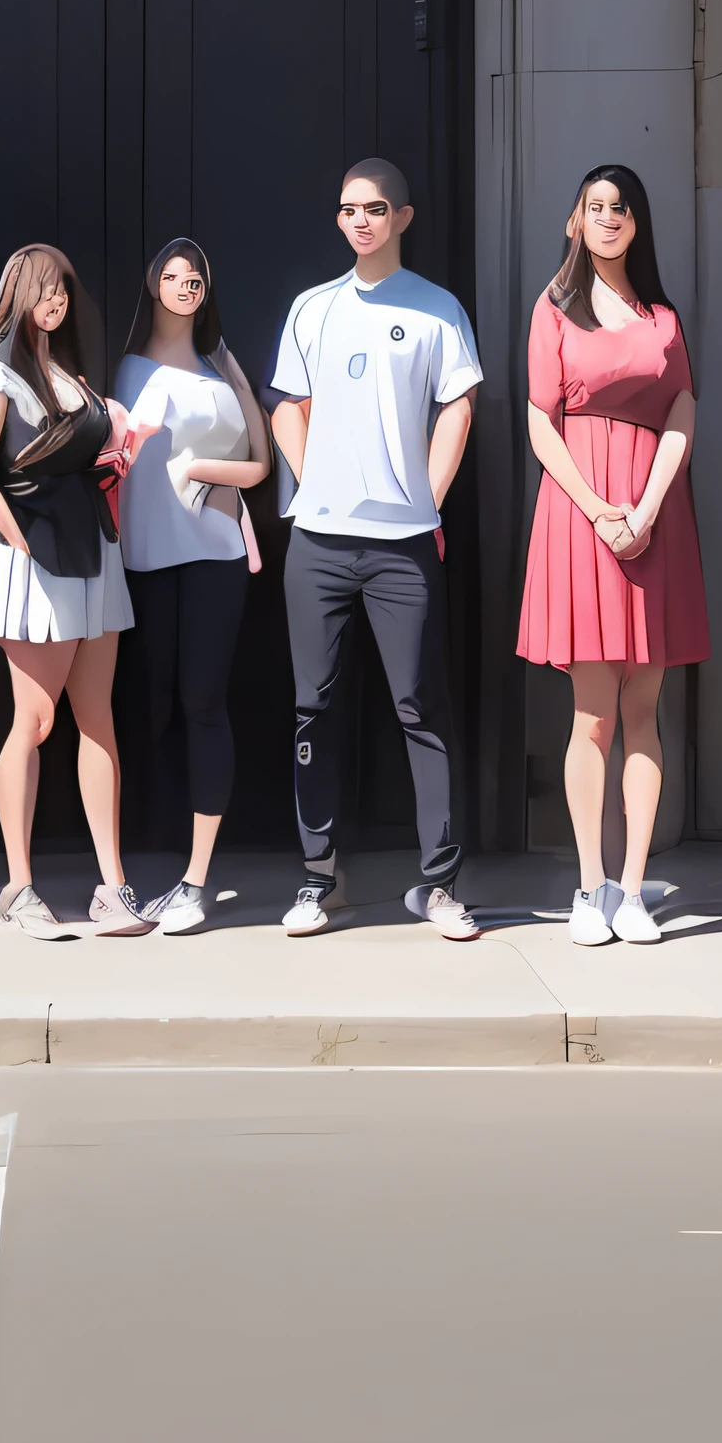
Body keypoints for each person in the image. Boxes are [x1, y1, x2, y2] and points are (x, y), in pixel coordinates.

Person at [268, 157, 486, 939]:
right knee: (312, 708)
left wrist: (426, 499)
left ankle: (440, 886)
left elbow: (459, 406)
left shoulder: (436, 310)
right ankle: (314, 879)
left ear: (403, 217)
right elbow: (287, 405)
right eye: (347, 208)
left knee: (421, 708)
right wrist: (314, 476)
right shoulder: (312, 309)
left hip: (401, 546)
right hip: (318, 543)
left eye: (374, 208)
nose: (359, 220)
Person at [517, 163, 707, 946]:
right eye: (594, 207)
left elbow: (683, 408)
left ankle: (633, 891)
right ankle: (588, 887)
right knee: (591, 717)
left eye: (619, 208)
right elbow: (540, 417)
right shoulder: (554, 307)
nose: (606, 219)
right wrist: (599, 510)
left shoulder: (662, 316)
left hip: (655, 519)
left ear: (637, 223)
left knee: (643, 713)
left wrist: (650, 504)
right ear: (575, 220)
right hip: (580, 515)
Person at [0, 242, 132, 939]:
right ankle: (18, 887)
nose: (54, 301)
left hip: (90, 549)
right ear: (18, 292)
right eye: (43, 289)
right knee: (34, 722)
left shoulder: (63, 368)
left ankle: (112, 887)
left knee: (98, 720)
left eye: (63, 290)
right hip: (34, 557)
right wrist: (17, 540)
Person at [110, 238, 273, 938]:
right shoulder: (123, 370)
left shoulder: (222, 363)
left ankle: (196, 879)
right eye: (171, 276)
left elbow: (261, 464)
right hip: (143, 558)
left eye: (196, 276)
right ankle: (127, 870)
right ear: (150, 285)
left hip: (214, 554)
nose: (185, 285)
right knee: (149, 704)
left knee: (205, 703)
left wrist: (208, 472)